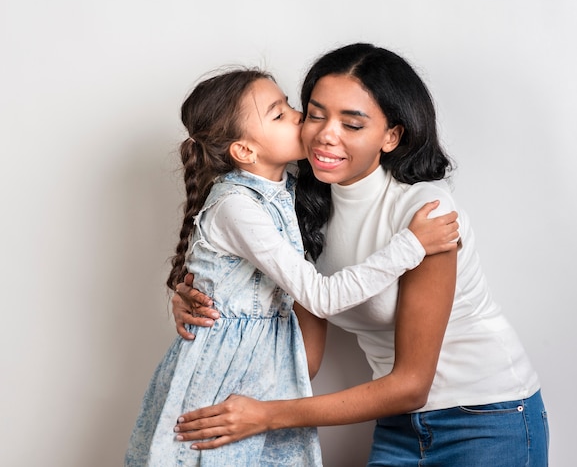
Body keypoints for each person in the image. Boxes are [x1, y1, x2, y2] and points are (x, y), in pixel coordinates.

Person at [172, 44, 550, 467]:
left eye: (352, 124)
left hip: (486, 417)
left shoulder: (425, 215)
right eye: (315, 114)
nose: (326, 134)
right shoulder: (295, 210)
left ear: (391, 136)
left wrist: (267, 416)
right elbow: (305, 357)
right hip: (396, 421)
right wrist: (206, 305)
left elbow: (412, 384)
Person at [125, 66, 459, 467]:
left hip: (266, 390)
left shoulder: (294, 193)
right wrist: (411, 245)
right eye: (280, 114)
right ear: (245, 151)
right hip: (220, 385)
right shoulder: (237, 205)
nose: (300, 117)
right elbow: (321, 296)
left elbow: (304, 339)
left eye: (289, 104)